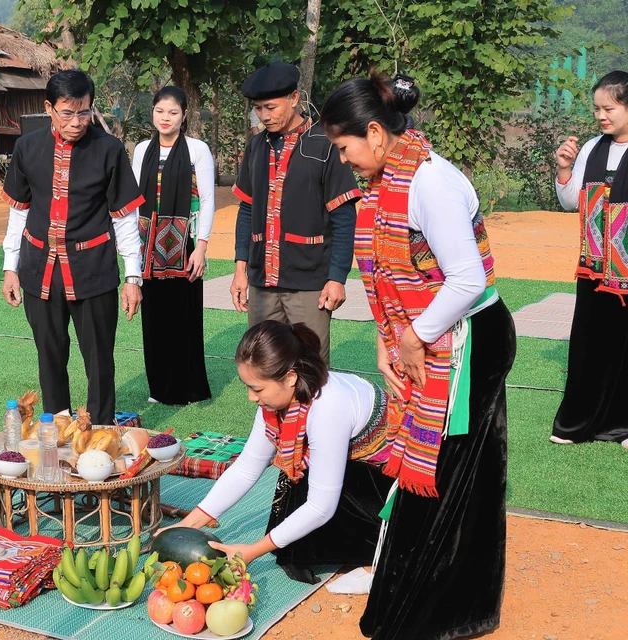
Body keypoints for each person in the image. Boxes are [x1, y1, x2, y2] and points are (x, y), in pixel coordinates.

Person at [320, 72, 516, 640]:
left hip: (468, 339)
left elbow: (468, 278)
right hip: (435, 335)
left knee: (453, 471)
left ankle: (445, 609)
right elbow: (387, 274)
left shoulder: (431, 183)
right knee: (436, 462)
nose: (345, 159)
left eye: (344, 146)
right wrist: (389, 339)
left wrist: (412, 338)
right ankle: (419, 588)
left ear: (376, 134)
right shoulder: (390, 180)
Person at [161, 320, 395, 584]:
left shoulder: (328, 408)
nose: (251, 397)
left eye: (257, 388)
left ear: (290, 377)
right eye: (247, 386)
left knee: (296, 489)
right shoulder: (279, 400)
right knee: (292, 491)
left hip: (388, 488)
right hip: (354, 473)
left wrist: (252, 551)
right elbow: (247, 468)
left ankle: (378, 552)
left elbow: (321, 506)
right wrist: (187, 525)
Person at [0, 70, 146, 425]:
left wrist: (133, 277)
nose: (77, 122)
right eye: (68, 112)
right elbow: (18, 211)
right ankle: (58, 426)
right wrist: (10, 268)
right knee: (49, 353)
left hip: (93, 269)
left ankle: (99, 430)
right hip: (39, 269)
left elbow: (125, 218)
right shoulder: (27, 147)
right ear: (49, 107)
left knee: (99, 357)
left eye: (84, 112)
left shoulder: (109, 150)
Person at [230, 61, 361, 365]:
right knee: (264, 364)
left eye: (271, 107)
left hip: (310, 283)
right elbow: (247, 209)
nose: (264, 116)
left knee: (309, 367)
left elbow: (344, 217)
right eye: (258, 109)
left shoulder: (326, 143)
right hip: (262, 281)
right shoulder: (256, 146)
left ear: (294, 98)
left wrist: (337, 277)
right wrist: (240, 269)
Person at [552, 70, 628, 448]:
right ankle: (578, 422)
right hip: (594, 267)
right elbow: (571, 203)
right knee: (589, 342)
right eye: (597, 108)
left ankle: (623, 425)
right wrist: (564, 168)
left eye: (609, 108)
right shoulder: (592, 148)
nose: (601, 116)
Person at [130, 87, 215, 405]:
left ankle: (187, 387)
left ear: (184, 115)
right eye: (160, 111)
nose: (165, 118)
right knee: (154, 318)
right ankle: (159, 388)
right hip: (147, 244)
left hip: (184, 244)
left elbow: (207, 200)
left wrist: (202, 246)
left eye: (173, 112)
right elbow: (135, 199)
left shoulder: (197, 150)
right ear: (152, 112)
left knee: (184, 315)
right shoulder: (141, 150)